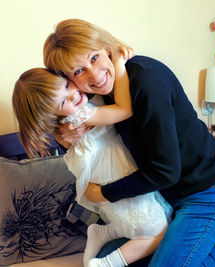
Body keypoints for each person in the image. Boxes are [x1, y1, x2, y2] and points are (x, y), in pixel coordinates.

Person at [42, 18, 215, 267]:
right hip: (162, 200)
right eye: (78, 71)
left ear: (106, 47)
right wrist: (62, 135)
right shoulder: (94, 96)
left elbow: (166, 171)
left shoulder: (146, 81)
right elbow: (58, 113)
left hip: (206, 191)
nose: (94, 75)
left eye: (94, 58)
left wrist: (103, 194)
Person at [12, 50, 172, 267]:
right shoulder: (79, 116)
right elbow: (124, 109)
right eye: (62, 103)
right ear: (53, 116)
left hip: (115, 179)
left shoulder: (82, 106)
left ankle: (102, 233)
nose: (73, 96)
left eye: (67, 86)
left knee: (143, 220)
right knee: (158, 229)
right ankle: (106, 264)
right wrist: (119, 63)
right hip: (116, 177)